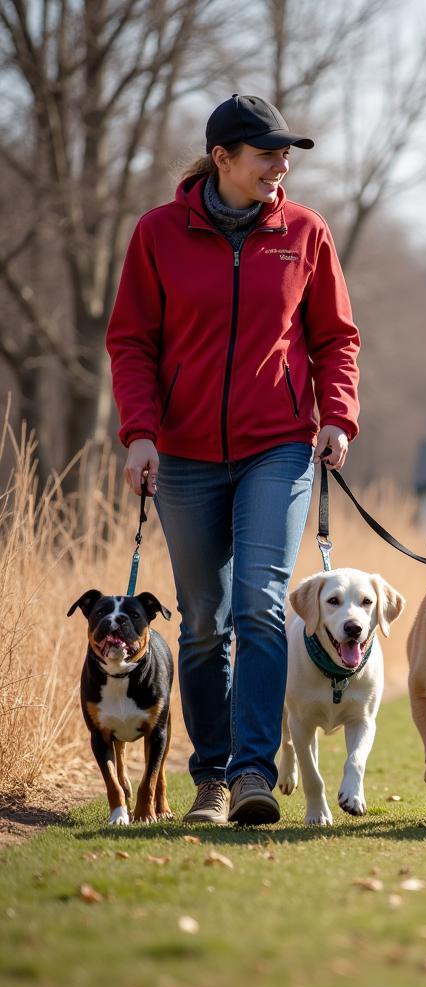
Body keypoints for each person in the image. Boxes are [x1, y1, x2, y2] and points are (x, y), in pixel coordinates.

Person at [107, 95, 361, 826]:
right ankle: (210, 778)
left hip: (277, 445)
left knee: (258, 602)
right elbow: (131, 343)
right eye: (267, 155)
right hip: (181, 452)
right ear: (222, 159)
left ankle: (253, 771)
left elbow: (336, 339)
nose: (282, 168)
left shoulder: (304, 233)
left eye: (288, 156)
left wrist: (337, 418)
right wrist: (141, 432)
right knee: (202, 622)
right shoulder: (158, 234)